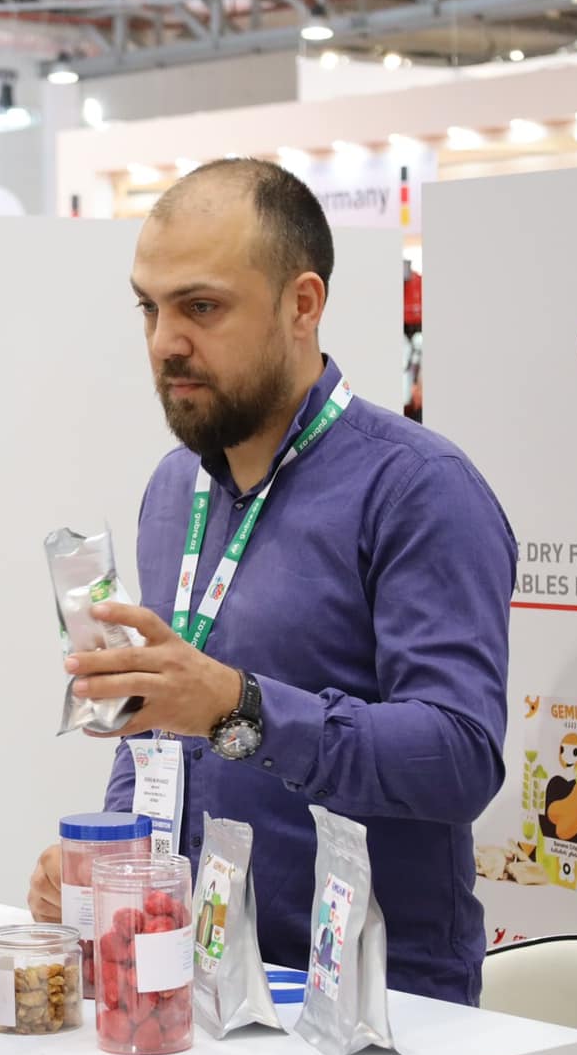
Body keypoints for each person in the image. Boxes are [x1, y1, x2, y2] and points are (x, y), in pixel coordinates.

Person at [26, 158, 516, 1006]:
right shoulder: (174, 490)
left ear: (302, 304)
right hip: (200, 986)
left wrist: (239, 709)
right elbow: (158, 724)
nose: (165, 341)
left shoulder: (419, 490)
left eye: (201, 307)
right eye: (150, 308)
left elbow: (459, 756)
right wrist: (112, 858)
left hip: (380, 1014)